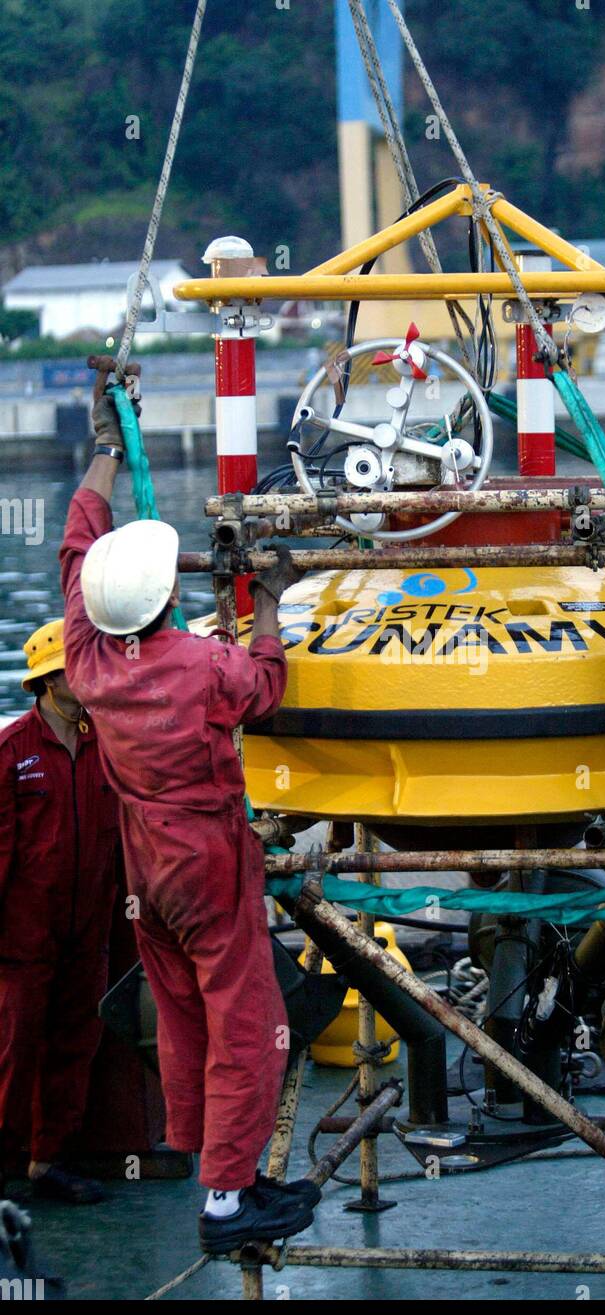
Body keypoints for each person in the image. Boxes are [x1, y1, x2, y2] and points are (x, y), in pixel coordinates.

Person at [59, 369, 319, 1254]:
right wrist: (273, 605)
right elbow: (267, 688)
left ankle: (203, 1154)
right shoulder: (206, 669)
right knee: (247, 1028)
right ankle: (227, 1200)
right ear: (173, 596)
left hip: (148, 864)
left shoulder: (87, 657)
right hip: (208, 860)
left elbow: (76, 543)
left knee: (181, 1013)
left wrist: (103, 448)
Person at [0, 619, 118, 1203]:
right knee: (13, 1051)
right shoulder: (11, 751)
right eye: (77, 668)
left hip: (88, 930)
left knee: (77, 1042)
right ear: (49, 682)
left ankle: (49, 1162)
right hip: (22, 938)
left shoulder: (108, 744)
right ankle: (3, 1165)